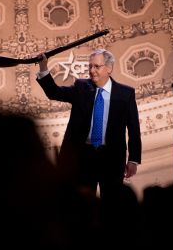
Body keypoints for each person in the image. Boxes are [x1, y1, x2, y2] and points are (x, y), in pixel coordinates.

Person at [36, 49, 141, 201]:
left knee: (112, 207)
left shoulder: (126, 93)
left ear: (109, 68)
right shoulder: (81, 87)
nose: (92, 71)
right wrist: (43, 67)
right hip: (83, 158)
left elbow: (133, 128)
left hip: (111, 159)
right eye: (90, 66)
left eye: (96, 66)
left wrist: (133, 159)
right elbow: (54, 93)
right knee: (82, 206)